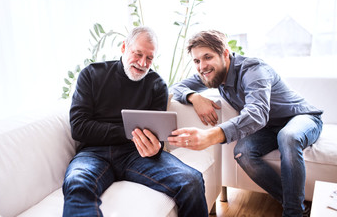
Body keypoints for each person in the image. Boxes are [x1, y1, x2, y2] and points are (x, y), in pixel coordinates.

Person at [168, 30, 323, 217]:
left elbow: (257, 114)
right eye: (196, 61)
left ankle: (293, 213)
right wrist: (194, 97)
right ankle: (296, 204)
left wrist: (212, 135)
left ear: (225, 53)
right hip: (269, 128)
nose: (202, 66)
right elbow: (175, 87)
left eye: (207, 57)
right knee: (243, 152)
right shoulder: (213, 75)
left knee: (288, 137)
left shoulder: (253, 69)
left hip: (301, 118)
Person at [62, 26, 208, 217]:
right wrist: (129, 132)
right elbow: (79, 128)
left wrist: (156, 146)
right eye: (137, 54)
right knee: (77, 183)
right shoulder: (91, 74)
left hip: (137, 153)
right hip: (93, 153)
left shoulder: (157, 84)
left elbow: (158, 132)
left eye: (149, 58)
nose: (142, 63)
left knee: (192, 180)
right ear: (124, 47)